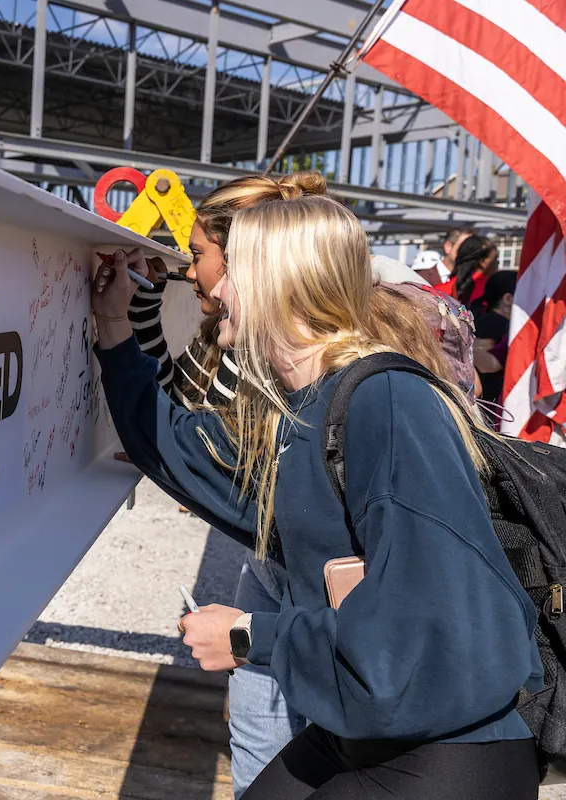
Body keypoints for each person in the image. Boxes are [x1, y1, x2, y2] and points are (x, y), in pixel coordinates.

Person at [92, 197, 541, 799]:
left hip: (443, 754)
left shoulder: (387, 402)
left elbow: (431, 625)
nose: (216, 288)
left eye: (231, 270)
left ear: (275, 283)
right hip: (366, 731)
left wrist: (252, 636)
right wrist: (116, 328)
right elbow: (181, 453)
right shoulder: (305, 411)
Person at [474, 270, 516, 410]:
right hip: (490, 404)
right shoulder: (493, 321)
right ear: (508, 299)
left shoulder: (492, 320)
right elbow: (485, 365)